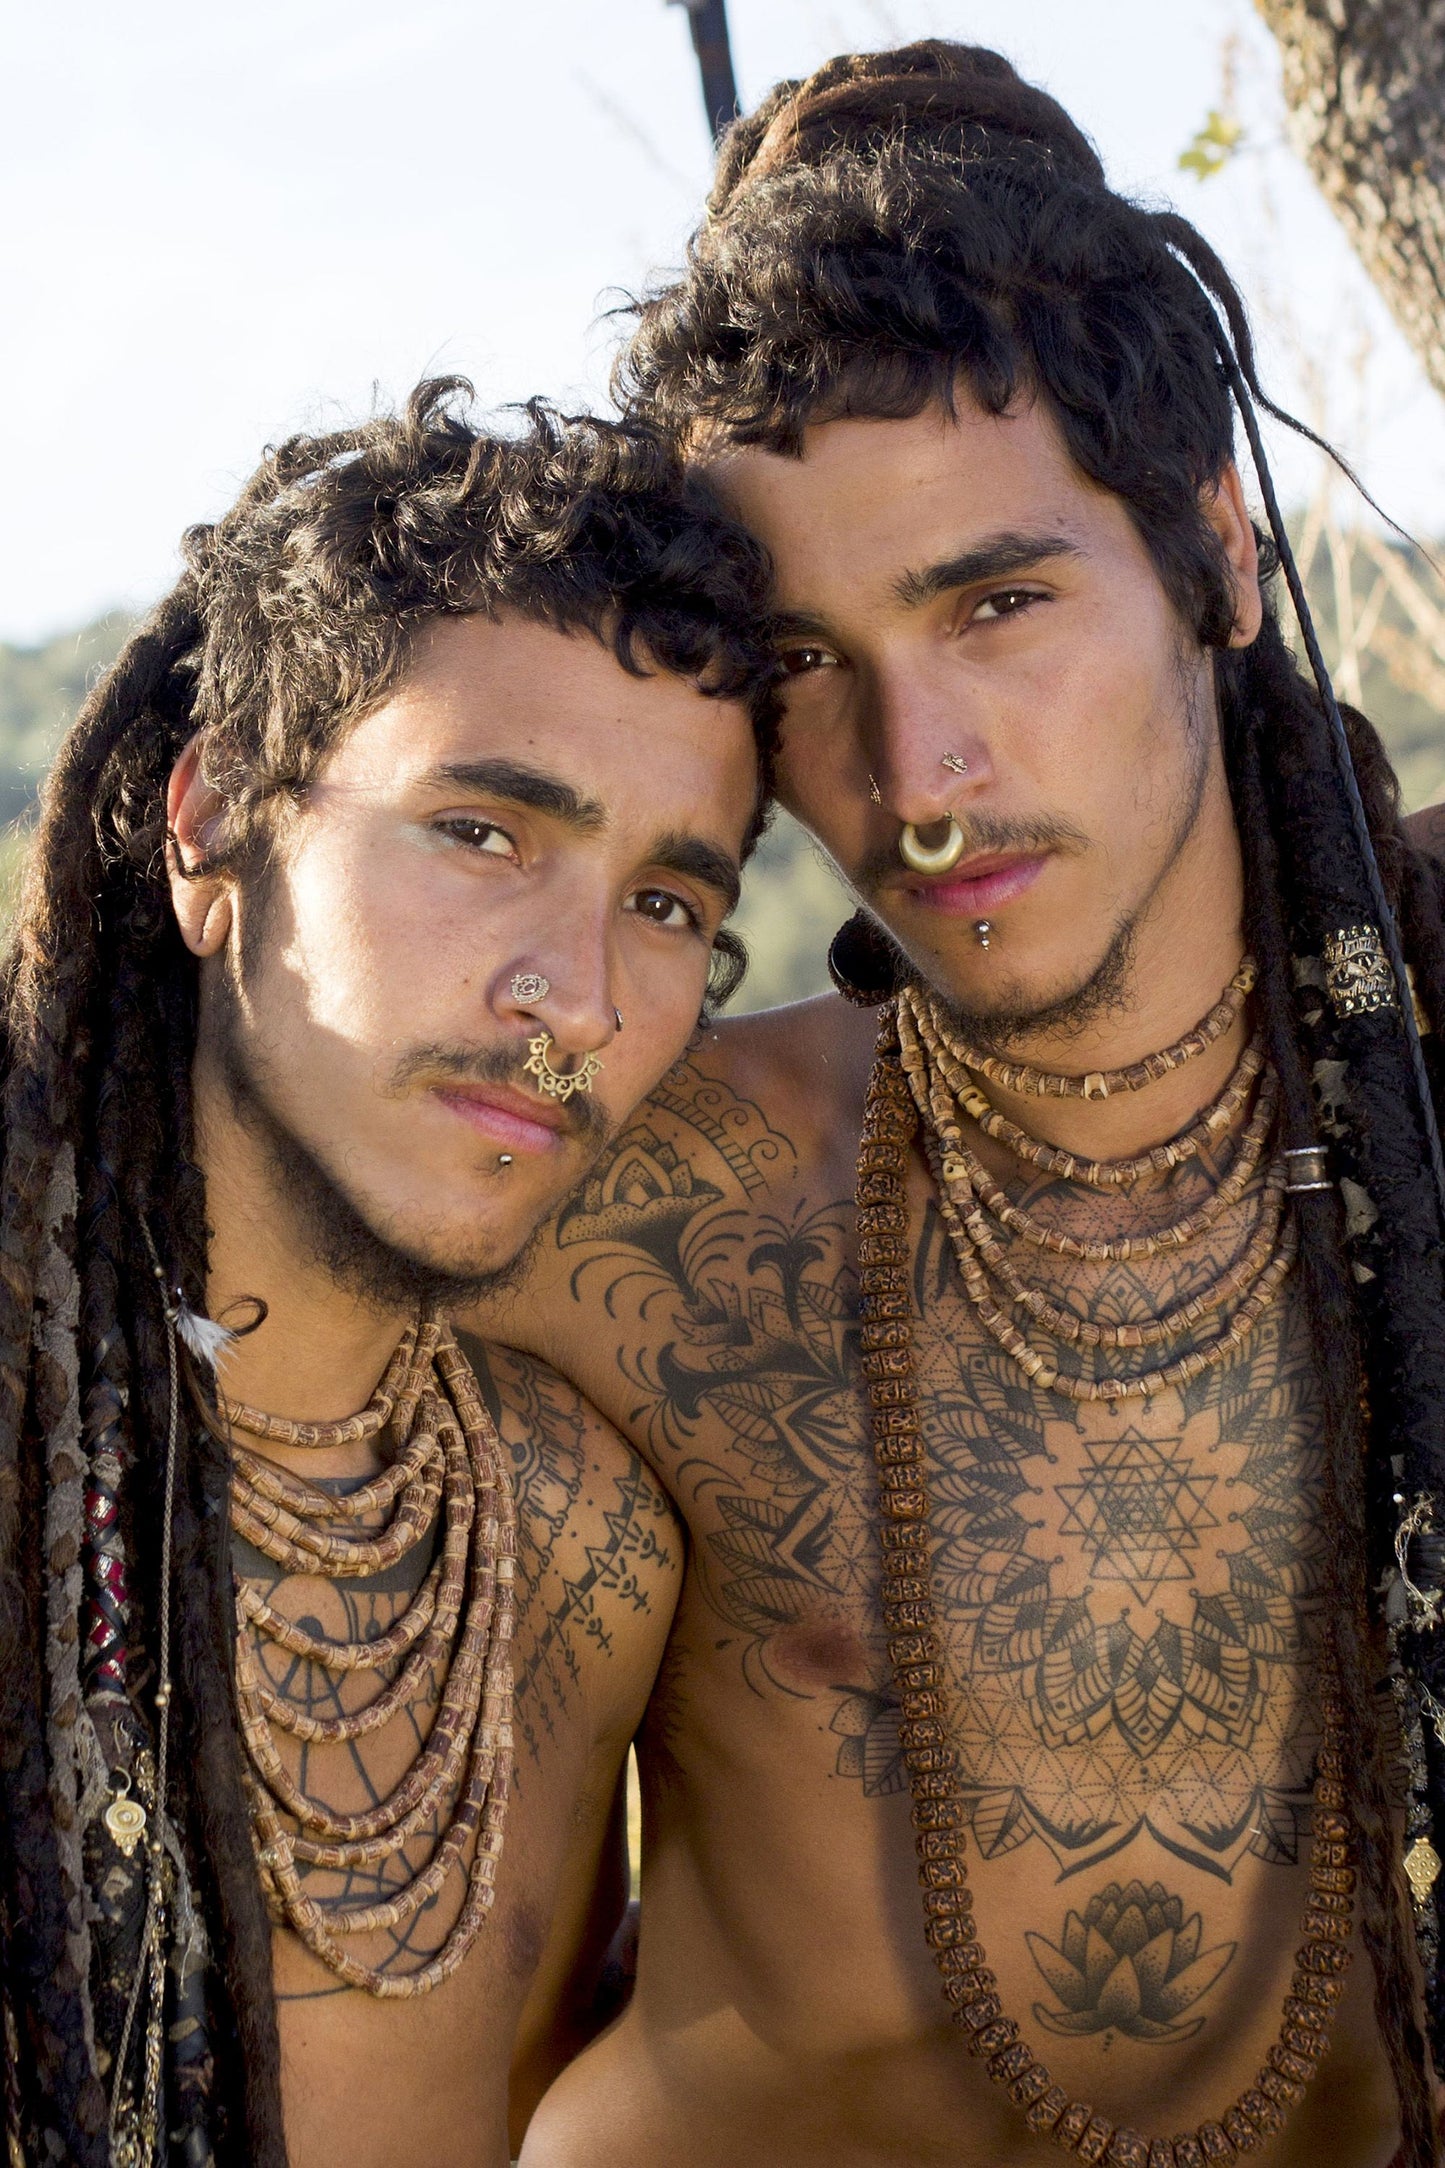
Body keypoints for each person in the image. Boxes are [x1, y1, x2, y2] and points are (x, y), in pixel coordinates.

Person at [471, 45, 1445, 2168]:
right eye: (810, 664)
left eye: (998, 603)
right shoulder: (624, 1208)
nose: (918, 777)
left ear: (1215, 552)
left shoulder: (1417, 1063)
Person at [0, 379, 779, 2168]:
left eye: (666, 902)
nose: (575, 997)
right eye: (483, 831)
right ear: (211, 828)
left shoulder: (575, 1556)